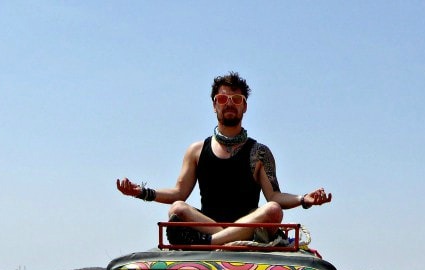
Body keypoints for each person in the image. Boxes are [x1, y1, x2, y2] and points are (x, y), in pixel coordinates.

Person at [116, 71, 332, 246]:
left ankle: (212, 242)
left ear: (244, 106)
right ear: (214, 105)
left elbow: (273, 195)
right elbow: (178, 193)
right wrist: (141, 192)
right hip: (206, 224)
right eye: (222, 98)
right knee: (177, 208)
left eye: (236, 99)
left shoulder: (260, 152)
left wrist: (303, 199)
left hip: (248, 229)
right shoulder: (197, 150)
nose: (229, 103)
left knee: (273, 210)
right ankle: (222, 238)